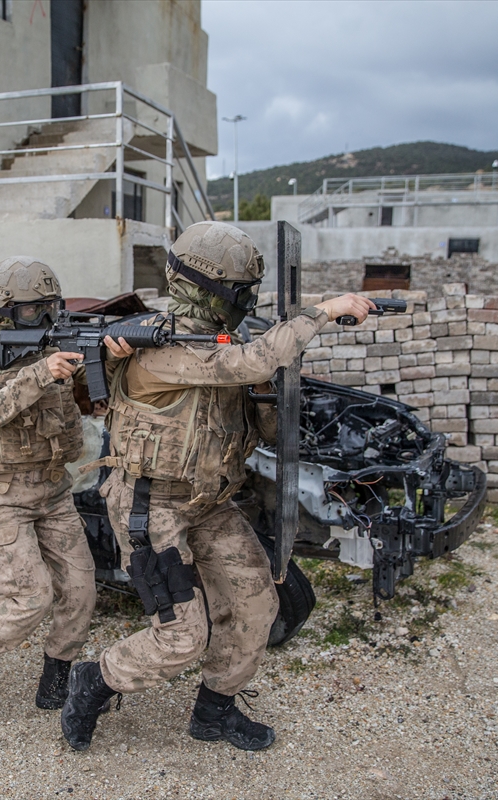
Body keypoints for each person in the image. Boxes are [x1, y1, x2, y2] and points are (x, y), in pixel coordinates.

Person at [60, 221, 375, 752]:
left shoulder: (217, 344)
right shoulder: (154, 344)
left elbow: (266, 425)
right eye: (238, 292)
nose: (244, 302)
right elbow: (249, 360)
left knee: (256, 605)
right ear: (209, 289)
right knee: (182, 637)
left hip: (210, 501)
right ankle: (94, 681)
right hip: (150, 504)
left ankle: (214, 712)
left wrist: (264, 393)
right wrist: (324, 311)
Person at [0, 256, 97, 715]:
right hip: (4, 494)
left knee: (80, 589)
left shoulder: (57, 346)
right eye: (36, 310)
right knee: (30, 597)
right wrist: (39, 373)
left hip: (53, 488)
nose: (47, 318)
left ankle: (55, 676)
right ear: (7, 311)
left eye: (51, 306)